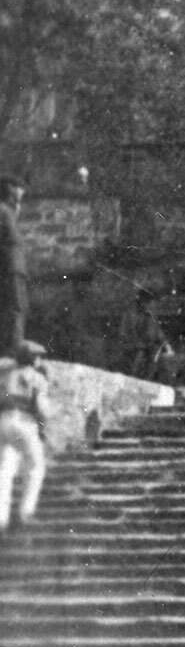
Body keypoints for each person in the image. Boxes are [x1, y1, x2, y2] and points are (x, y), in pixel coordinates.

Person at [0, 339, 49, 536]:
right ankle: (26, 512)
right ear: (32, 359)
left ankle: (1, 518)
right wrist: (43, 427)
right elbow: (42, 409)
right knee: (36, 466)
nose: (40, 360)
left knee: (4, 469)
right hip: (24, 422)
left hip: (3, 421)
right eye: (37, 357)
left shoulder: (5, 374)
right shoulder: (37, 378)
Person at [0, 177, 27, 359]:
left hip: (14, 268)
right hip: (9, 268)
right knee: (15, 307)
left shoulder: (8, 211)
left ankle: (12, 347)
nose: (21, 194)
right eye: (18, 190)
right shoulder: (3, 211)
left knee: (17, 307)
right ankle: (12, 349)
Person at [120, 288, 170, 381]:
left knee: (155, 356)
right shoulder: (130, 314)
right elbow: (125, 333)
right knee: (140, 355)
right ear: (141, 301)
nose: (149, 305)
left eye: (150, 302)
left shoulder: (149, 314)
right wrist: (138, 344)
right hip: (132, 346)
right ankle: (134, 378)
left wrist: (166, 344)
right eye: (148, 302)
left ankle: (148, 379)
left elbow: (156, 331)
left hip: (145, 346)